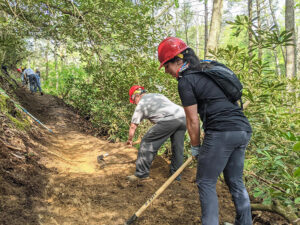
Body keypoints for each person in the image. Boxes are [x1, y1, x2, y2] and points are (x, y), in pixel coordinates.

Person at [157, 37, 253, 225]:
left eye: (166, 66)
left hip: (222, 132)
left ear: (177, 60)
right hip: (242, 129)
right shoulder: (207, 71)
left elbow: (192, 120)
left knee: (206, 182)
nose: (166, 71)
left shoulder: (186, 81)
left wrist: (196, 147)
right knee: (235, 181)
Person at [127, 85, 186, 181]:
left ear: (136, 96)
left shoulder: (141, 104)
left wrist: (130, 140)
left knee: (147, 142)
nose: (134, 104)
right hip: (183, 116)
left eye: (133, 101)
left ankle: (141, 174)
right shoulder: (156, 95)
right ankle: (176, 176)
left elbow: (133, 126)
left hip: (170, 119)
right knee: (178, 148)